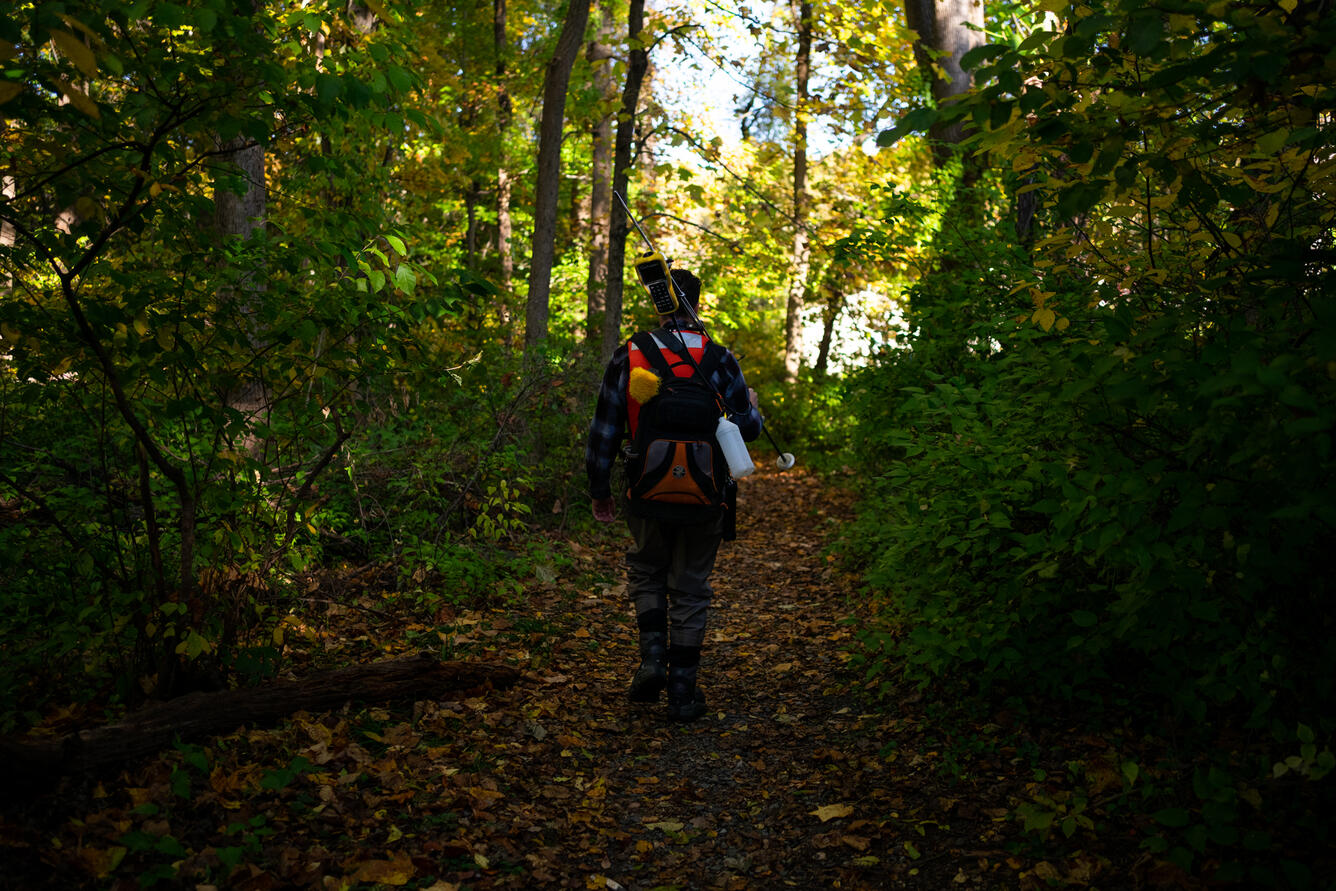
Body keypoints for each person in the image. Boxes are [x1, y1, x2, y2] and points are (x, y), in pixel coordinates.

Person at [586, 268, 763, 722]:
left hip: (645, 488)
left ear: (659, 302)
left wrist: (599, 487)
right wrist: (754, 410)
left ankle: (651, 660)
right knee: (691, 586)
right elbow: (748, 429)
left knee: (647, 570)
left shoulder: (633, 352)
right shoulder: (720, 358)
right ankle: (683, 692)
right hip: (706, 496)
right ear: (698, 303)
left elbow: (605, 426)